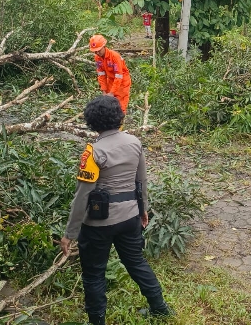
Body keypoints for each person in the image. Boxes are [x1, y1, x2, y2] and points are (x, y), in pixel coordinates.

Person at [60, 96, 172, 325]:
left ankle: (97, 320)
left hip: (98, 224)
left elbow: (82, 196)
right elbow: (141, 181)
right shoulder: (134, 142)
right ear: (119, 117)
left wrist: (69, 233)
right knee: (136, 262)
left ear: (91, 121)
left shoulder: (93, 152)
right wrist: (143, 210)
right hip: (130, 216)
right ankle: (160, 308)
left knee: (94, 274)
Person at [89, 34, 131, 114]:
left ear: (104, 46)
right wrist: (104, 90)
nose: (97, 52)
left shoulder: (114, 56)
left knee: (120, 105)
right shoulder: (97, 58)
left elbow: (119, 76)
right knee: (109, 104)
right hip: (111, 80)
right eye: (95, 51)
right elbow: (101, 74)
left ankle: (120, 124)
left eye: (99, 50)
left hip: (122, 82)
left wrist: (112, 92)